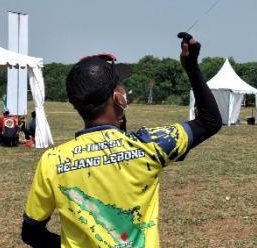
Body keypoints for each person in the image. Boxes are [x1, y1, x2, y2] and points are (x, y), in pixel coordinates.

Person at [21, 33, 222, 247]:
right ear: (119, 98)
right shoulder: (149, 146)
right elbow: (210, 121)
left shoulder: (53, 161)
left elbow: (31, 233)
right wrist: (191, 66)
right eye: (120, 86)